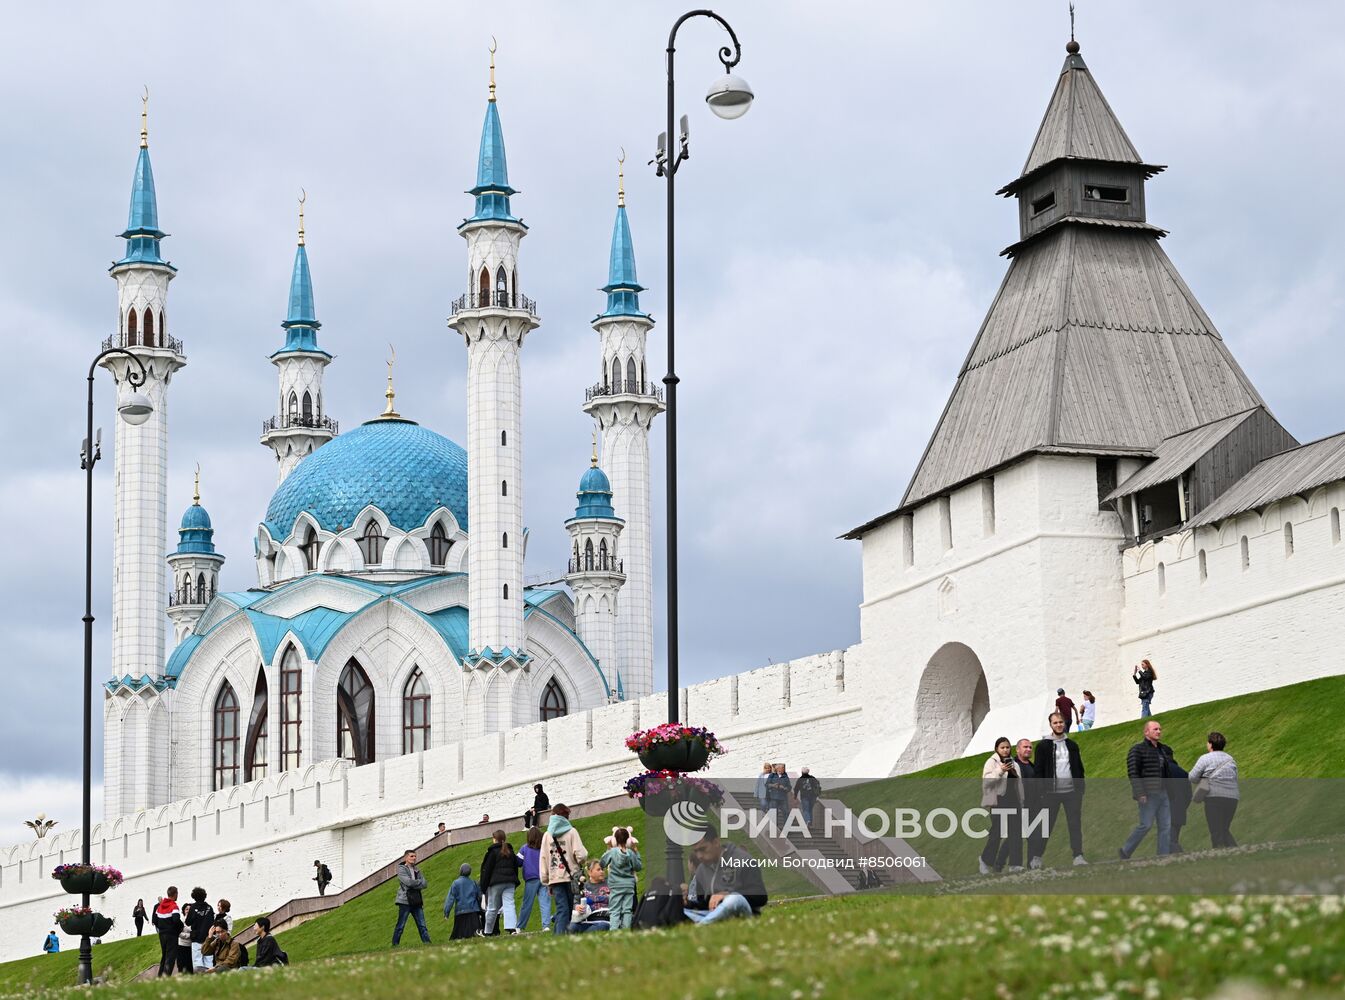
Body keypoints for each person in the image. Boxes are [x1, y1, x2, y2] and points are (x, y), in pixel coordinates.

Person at [1031, 712, 1088, 867]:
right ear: (1051, 725)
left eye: (1061, 722)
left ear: (1064, 723)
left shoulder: (1072, 745)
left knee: (1075, 824)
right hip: (1051, 794)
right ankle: (1036, 856)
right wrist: (1041, 792)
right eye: (1055, 723)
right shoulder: (1043, 746)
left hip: (1072, 793)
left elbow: (1079, 767)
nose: (1058, 725)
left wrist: (1080, 788)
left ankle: (1078, 856)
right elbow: (1038, 771)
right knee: (1046, 825)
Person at [684, 828, 767, 924]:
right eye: (696, 851)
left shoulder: (743, 859)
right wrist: (687, 904)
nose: (699, 856)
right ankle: (705, 922)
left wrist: (728, 894)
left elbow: (761, 897)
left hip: (743, 913)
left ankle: (701, 925)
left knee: (734, 899)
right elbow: (703, 904)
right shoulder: (701, 871)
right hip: (712, 913)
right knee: (679, 909)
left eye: (703, 849)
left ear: (716, 842)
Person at [1120, 719, 1176, 859]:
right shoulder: (1137, 750)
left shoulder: (1164, 750)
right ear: (1146, 732)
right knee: (1146, 825)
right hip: (1149, 794)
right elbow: (1133, 772)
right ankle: (1126, 850)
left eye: (1160, 729)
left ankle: (1163, 856)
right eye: (1155, 729)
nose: (1159, 731)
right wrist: (1140, 793)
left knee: (1166, 826)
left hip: (1164, 793)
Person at [539, 803, 587, 935]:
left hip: (555, 877)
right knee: (570, 907)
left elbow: (543, 858)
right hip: (571, 875)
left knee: (561, 908)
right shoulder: (572, 832)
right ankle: (564, 936)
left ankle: (558, 935)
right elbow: (581, 855)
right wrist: (580, 861)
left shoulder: (547, 835)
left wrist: (545, 879)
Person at [1189, 731, 1240, 848]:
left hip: (1214, 797)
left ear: (1210, 744)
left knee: (1216, 830)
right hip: (1232, 797)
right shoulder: (1231, 760)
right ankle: (1236, 853)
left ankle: (1219, 855)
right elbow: (1235, 778)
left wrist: (1203, 779)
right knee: (1224, 828)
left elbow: (1192, 777)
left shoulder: (1205, 758)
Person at [979, 737, 1022, 875]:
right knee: (996, 833)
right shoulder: (991, 762)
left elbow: (1019, 784)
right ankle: (985, 861)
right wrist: (1000, 770)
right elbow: (986, 782)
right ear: (997, 749)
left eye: (1007, 747)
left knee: (1015, 833)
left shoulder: (1014, 763)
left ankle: (1015, 864)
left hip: (1014, 800)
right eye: (1002, 747)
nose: (1005, 750)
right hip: (999, 801)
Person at [1003, 738, 1039, 870]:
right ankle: (1014, 865)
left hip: (1032, 806)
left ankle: (1032, 863)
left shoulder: (1032, 766)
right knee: (1015, 836)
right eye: (1025, 747)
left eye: (1030, 747)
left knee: (1034, 835)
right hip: (1015, 805)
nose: (1028, 749)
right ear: (1017, 749)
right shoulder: (1012, 765)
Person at [480, 829, 521, 935]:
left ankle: (487, 931)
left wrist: (483, 886)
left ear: (495, 839)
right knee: (509, 904)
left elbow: (486, 870)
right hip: (510, 881)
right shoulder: (510, 851)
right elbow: (515, 867)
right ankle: (511, 928)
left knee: (492, 907)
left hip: (496, 883)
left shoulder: (492, 852)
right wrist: (514, 880)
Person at [601, 827, 643, 930]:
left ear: (614, 839)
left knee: (615, 909)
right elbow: (638, 867)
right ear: (628, 839)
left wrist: (608, 849)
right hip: (629, 885)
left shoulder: (612, 852)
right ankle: (626, 930)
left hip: (615, 885)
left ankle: (614, 930)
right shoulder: (631, 853)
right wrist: (636, 852)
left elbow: (602, 863)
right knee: (627, 909)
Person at [392, 849, 431, 946]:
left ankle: (428, 944)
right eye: (411, 856)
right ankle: (395, 944)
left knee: (422, 925)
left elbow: (425, 884)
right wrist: (418, 882)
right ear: (406, 858)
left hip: (416, 900)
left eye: (415, 856)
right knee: (401, 925)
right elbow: (408, 882)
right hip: (405, 901)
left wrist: (415, 883)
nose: (414, 858)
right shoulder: (401, 869)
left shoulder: (417, 869)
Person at [517, 825, 553, 932]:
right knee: (545, 902)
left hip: (531, 878)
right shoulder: (544, 848)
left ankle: (520, 926)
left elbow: (518, 862)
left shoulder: (524, 848)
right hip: (544, 878)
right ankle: (546, 926)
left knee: (527, 904)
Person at [443, 862, 484, 939]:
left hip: (460, 912)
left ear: (460, 871)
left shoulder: (455, 883)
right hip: (473, 911)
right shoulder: (473, 883)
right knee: (475, 934)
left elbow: (450, 899)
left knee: (459, 935)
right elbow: (479, 897)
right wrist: (481, 909)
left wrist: (446, 912)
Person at [152, 889, 183, 977]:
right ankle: (165, 978)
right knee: (170, 957)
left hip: (162, 934)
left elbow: (155, 920)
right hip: (172, 935)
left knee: (164, 956)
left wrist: (162, 928)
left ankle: (160, 977)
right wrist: (181, 927)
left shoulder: (160, 906)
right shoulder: (174, 906)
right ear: (175, 894)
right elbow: (176, 919)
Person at [183, 887, 215, 970]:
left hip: (197, 938)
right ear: (204, 896)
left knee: (198, 962)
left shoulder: (193, 908)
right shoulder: (209, 907)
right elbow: (212, 921)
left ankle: (200, 979)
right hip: (208, 938)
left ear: (194, 896)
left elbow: (188, 922)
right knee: (208, 961)